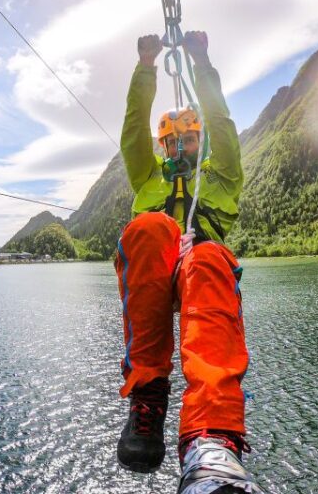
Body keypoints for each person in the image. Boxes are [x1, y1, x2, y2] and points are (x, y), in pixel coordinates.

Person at [115, 31, 262, 493]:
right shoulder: (147, 178)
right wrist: (145, 66)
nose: (180, 150)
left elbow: (222, 120)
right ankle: (149, 395)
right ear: (163, 147)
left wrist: (201, 62)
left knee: (207, 255)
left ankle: (211, 437)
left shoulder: (222, 176)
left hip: (201, 277)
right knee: (147, 229)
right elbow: (133, 129)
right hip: (155, 276)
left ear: (201, 141)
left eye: (189, 140)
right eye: (172, 143)